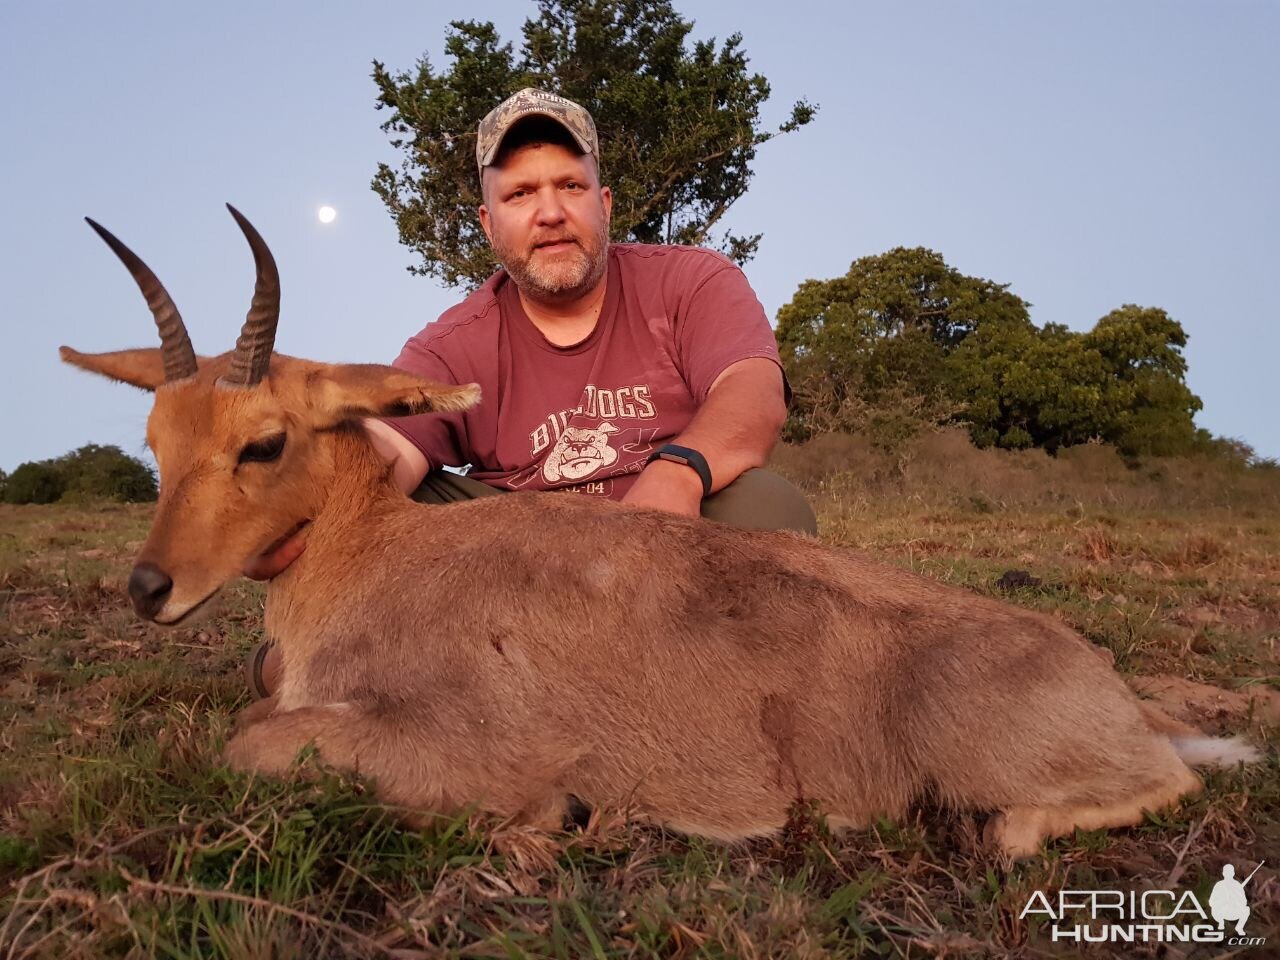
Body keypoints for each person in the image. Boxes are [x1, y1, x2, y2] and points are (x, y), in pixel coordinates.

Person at [244, 88, 815, 698]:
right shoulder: (453, 342)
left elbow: (752, 388)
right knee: (390, 504)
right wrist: (293, 508)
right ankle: (337, 657)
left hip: (667, 543)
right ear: (490, 224)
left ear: (604, 204)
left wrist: (677, 475)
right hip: (515, 567)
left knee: (769, 510)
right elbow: (385, 448)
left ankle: (493, 671)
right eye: (520, 194)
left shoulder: (693, 281)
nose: (549, 213)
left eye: (569, 186)